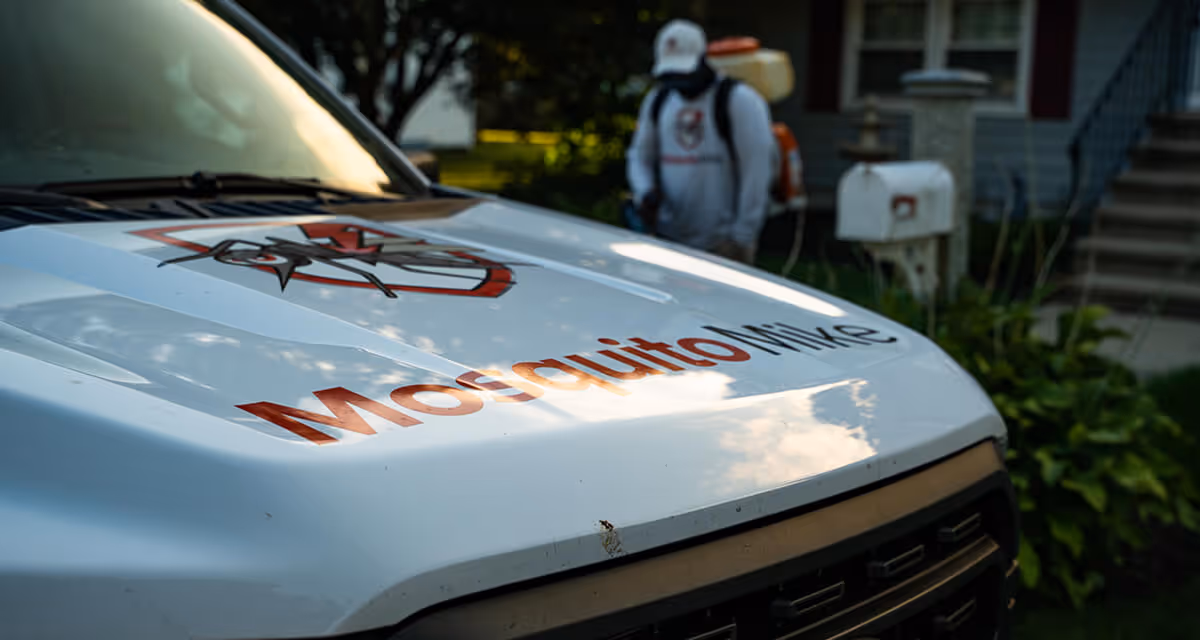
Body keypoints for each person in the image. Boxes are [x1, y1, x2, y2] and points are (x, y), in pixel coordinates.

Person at [626, 19, 776, 265]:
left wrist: (741, 237)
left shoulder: (739, 100)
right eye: (671, 75)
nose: (679, 82)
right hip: (667, 240)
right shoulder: (658, 100)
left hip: (722, 244)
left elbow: (757, 170)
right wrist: (645, 192)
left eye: (684, 73)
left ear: (703, 60)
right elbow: (639, 156)